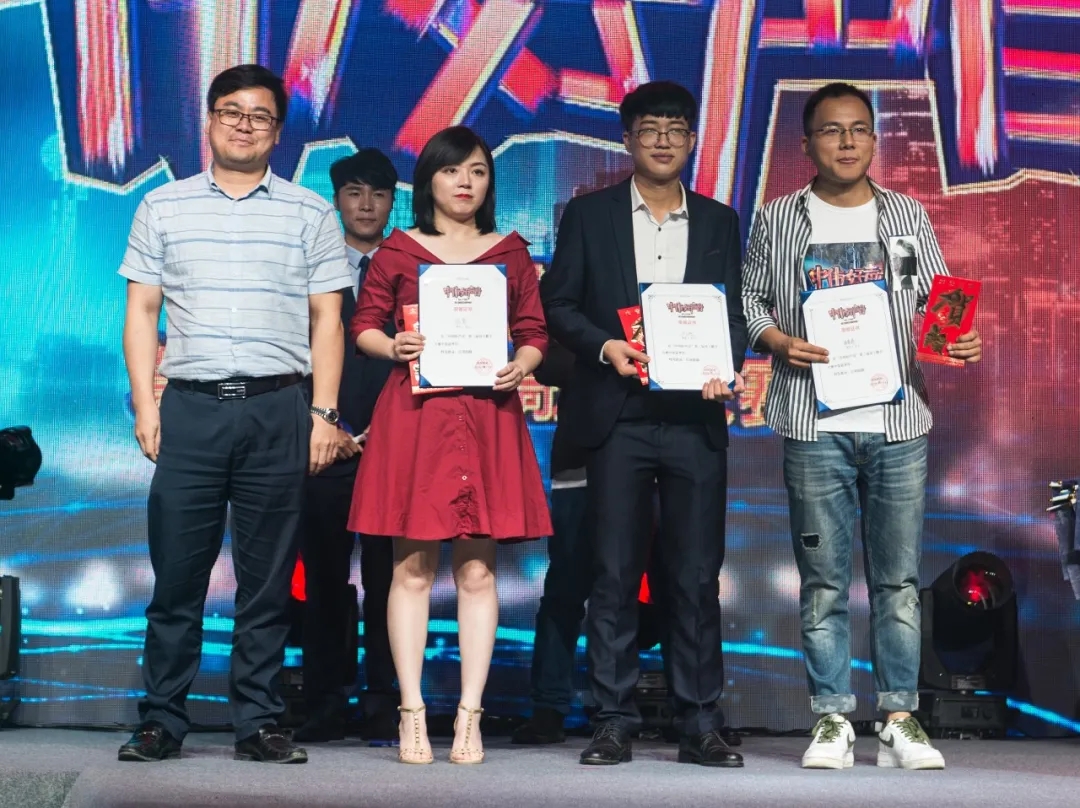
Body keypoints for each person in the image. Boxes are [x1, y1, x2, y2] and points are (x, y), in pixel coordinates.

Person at [741, 81, 982, 771]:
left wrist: (958, 338)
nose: (846, 142)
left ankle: (900, 717)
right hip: (814, 422)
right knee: (822, 581)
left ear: (874, 140)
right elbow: (750, 299)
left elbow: (938, 301)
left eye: (858, 130)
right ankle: (832, 718)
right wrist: (778, 341)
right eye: (831, 130)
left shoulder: (906, 214)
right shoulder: (778, 217)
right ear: (807, 143)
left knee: (897, 581)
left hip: (897, 421)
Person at [117, 64, 351, 764]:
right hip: (189, 409)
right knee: (177, 579)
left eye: (259, 115)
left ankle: (260, 721)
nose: (244, 125)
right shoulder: (163, 207)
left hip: (279, 408)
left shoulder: (310, 211)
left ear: (277, 132)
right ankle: (162, 719)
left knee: (268, 582)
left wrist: (324, 413)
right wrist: (145, 402)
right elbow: (142, 311)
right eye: (231, 112)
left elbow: (328, 321)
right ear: (210, 121)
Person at [540, 80, 748, 768]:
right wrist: (606, 346)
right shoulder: (588, 214)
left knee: (695, 576)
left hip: (694, 418)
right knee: (613, 573)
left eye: (676, 128)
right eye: (650, 128)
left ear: (692, 141)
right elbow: (558, 304)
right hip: (616, 415)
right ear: (627, 139)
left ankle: (699, 721)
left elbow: (733, 315)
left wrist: (724, 366)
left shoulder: (719, 220)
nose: (663, 140)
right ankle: (612, 719)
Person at [348, 125, 552, 764]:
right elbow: (363, 325)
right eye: (452, 170)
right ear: (428, 180)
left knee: (477, 570)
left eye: (478, 171)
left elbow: (534, 330)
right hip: (416, 418)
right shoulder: (398, 251)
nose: (466, 182)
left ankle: (470, 715)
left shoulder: (510, 252)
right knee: (411, 569)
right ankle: (411, 711)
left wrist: (522, 364)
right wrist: (393, 345)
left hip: (487, 415)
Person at [292, 149, 400, 744]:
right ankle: (324, 699)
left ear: (393, 202)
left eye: (378, 194)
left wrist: (394, 427)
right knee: (324, 580)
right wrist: (322, 423)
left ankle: (387, 700)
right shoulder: (309, 265)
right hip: (324, 442)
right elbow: (293, 354)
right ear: (337, 200)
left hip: (394, 444)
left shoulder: (410, 266)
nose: (366, 205)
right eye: (354, 192)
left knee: (393, 579)